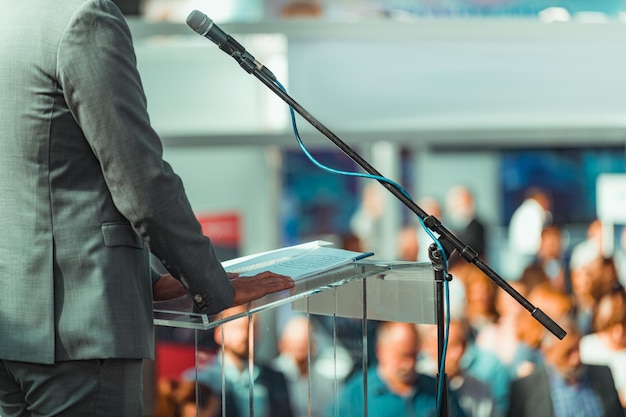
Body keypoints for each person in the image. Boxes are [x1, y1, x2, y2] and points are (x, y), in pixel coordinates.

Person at [0, 1, 295, 416]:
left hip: (16, 326)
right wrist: (213, 284)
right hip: (79, 330)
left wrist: (152, 277)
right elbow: (142, 182)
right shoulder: (84, 17)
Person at [333, 321, 466, 417]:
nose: (409, 364)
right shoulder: (355, 396)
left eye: (414, 354)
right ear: (380, 350)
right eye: (402, 356)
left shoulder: (437, 389)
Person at [187, 305, 294, 417]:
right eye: (238, 328)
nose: (246, 335)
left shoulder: (276, 378)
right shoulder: (199, 382)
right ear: (219, 333)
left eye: (253, 328)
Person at [506, 317, 622, 417]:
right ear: (549, 354)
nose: (576, 359)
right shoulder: (527, 389)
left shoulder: (602, 374)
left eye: (577, 349)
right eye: (568, 353)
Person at [418, 320, 498, 417]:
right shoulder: (416, 382)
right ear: (428, 346)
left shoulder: (480, 389)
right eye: (450, 345)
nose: (458, 352)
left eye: (463, 344)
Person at [445, 185, 487, 259]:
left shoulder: (477, 226)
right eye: (456, 206)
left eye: (463, 204)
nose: (460, 209)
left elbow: (471, 245)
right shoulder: (448, 226)